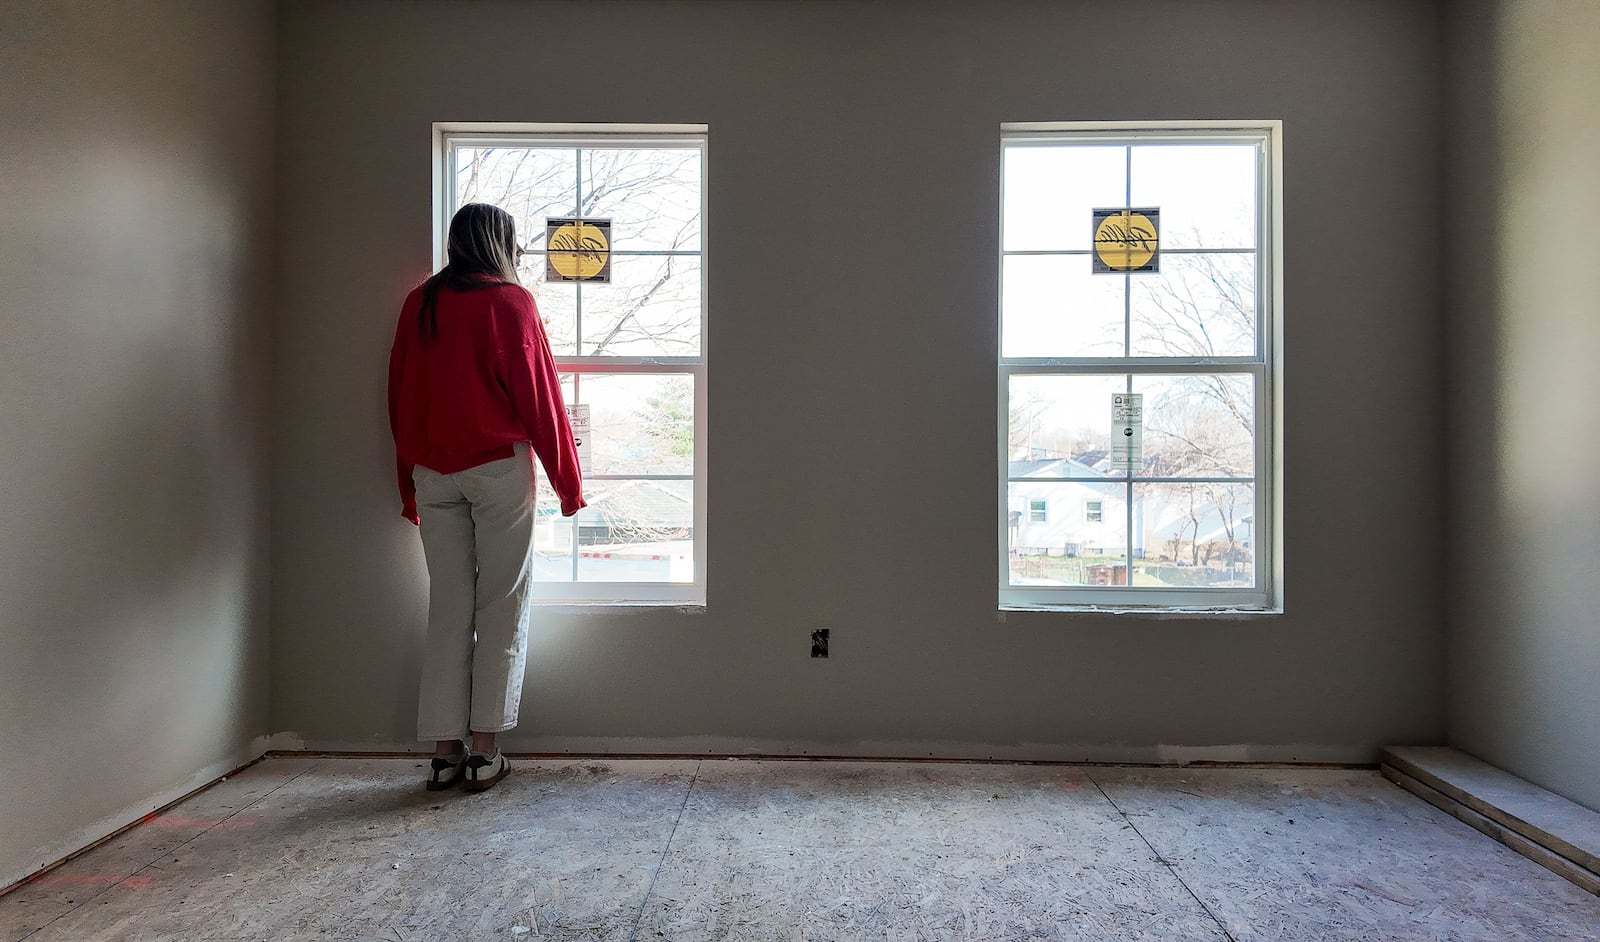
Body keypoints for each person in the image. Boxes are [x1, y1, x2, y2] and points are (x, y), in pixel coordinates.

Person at [387, 203, 585, 792]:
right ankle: (485, 749)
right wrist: (567, 484)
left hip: (433, 470)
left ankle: (444, 752)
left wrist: (409, 484)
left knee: (449, 606)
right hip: (497, 468)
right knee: (501, 603)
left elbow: (399, 397)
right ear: (503, 244)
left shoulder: (419, 304)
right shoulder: (510, 303)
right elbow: (540, 397)